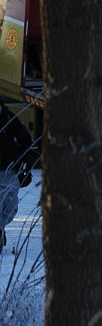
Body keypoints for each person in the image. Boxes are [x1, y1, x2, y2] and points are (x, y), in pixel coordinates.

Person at [0, 101, 34, 253]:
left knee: (9, 207)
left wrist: (26, 162)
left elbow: (27, 142)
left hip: (10, 171)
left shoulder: (11, 119)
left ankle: (1, 227)